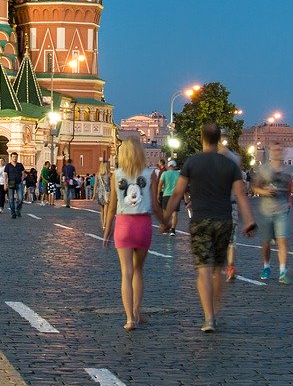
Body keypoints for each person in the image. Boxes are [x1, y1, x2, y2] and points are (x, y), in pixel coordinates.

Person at [160, 122, 257, 333]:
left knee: (203, 269)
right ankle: (216, 308)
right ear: (218, 138)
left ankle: (209, 318)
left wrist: (166, 218)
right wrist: (249, 220)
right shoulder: (230, 165)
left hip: (201, 220)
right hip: (224, 220)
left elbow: (177, 193)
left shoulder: (192, 163)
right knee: (217, 270)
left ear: (202, 138)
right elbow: (241, 195)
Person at [102, 138, 156, 330]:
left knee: (126, 273)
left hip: (123, 226)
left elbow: (111, 206)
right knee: (138, 271)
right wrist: (165, 222)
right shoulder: (150, 174)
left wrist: (107, 230)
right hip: (143, 225)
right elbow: (155, 205)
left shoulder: (116, 175)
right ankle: (136, 311)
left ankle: (129, 319)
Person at [252, 145, 292, 284]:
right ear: (270, 152)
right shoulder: (264, 169)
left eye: (280, 149)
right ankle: (266, 267)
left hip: (281, 209)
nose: (277, 152)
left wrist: (288, 203)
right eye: (275, 150)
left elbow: (289, 188)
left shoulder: (287, 170)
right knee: (266, 242)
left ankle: (282, 272)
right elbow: (255, 187)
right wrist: (265, 192)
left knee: (282, 240)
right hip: (266, 210)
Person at [159, 160, 180, 235]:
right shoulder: (178, 174)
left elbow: (160, 184)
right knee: (174, 214)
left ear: (168, 166)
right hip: (175, 195)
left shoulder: (164, 173)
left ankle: (165, 229)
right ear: (174, 166)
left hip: (166, 195)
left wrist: (158, 194)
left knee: (165, 213)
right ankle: (173, 230)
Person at [6, 152, 26, 219]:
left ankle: (18, 210)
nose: (15, 158)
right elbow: (5, 175)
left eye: (16, 157)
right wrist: (5, 183)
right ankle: (13, 213)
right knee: (11, 199)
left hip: (18, 183)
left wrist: (22, 180)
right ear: (11, 157)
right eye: (13, 157)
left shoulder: (20, 165)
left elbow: (23, 173)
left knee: (20, 198)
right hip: (10, 183)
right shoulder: (8, 165)